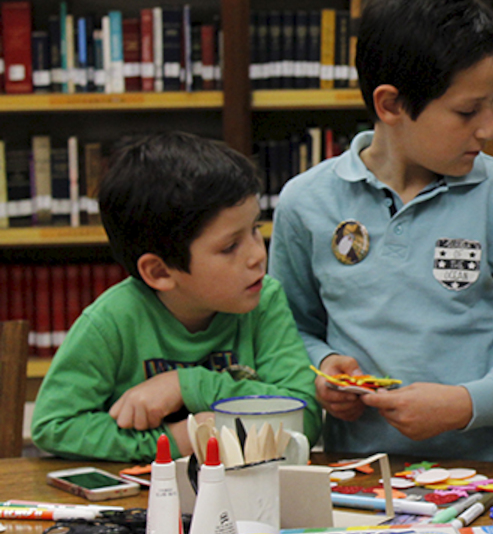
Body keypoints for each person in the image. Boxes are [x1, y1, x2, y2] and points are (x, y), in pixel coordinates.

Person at [270, 0, 493, 466]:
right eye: (467, 111)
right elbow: (287, 332)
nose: (489, 128)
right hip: (366, 475)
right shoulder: (305, 202)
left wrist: (464, 405)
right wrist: (324, 369)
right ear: (391, 105)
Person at [31, 131, 321, 463]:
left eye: (255, 229)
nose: (257, 255)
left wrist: (188, 385)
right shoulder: (110, 322)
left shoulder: (264, 300)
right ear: (160, 272)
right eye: (230, 247)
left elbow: (306, 420)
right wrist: (172, 440)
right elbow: (54, 426)